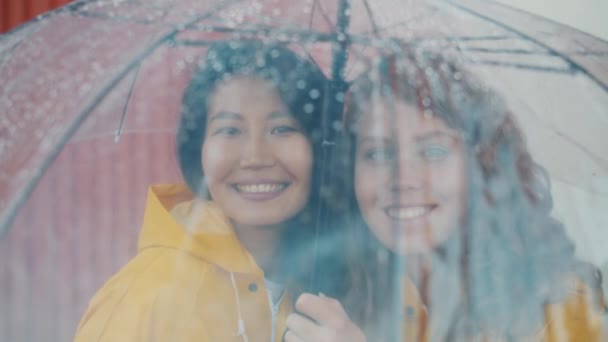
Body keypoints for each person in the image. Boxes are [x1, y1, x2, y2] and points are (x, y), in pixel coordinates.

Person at [286, 48, 606, 341]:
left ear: (483, 164)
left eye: (434, 150)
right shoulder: (324, 300)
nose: (403, 180)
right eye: (378, 154)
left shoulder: (559, 304)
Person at [74, 40, 347, 342]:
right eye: (230, 130)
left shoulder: (322, 294)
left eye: (282, 129)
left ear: (319, 150)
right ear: (199, 151)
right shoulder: (146, 298)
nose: (256, 157)